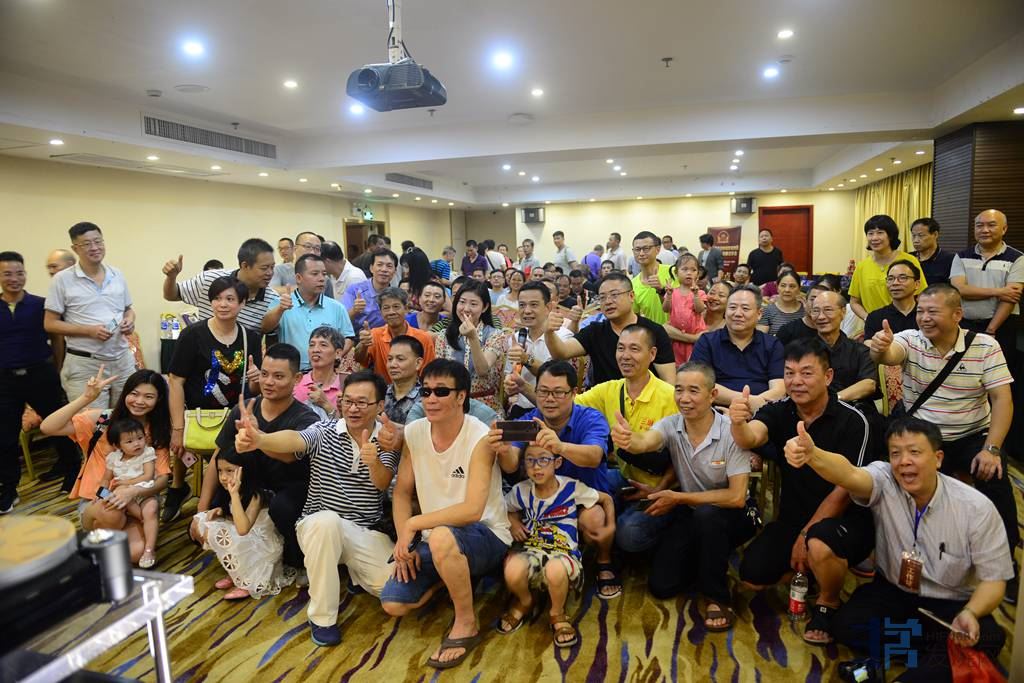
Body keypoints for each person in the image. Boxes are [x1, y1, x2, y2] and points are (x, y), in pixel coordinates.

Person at [786, 417, 1012, 678]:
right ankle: (932, 652)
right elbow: (848, 474)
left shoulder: (975, 508)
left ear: (938, 458)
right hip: (895, 592)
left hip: (951, 603)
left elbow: (995, 580)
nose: (904, 461)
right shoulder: (885, 480)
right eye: (896, 453)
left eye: (914, 452)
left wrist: (971, 613)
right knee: (847, 625)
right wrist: (813, 455)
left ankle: (914, 658)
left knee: (985, 636)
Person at [867, 283, 1019, 599]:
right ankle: (884, 552)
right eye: (920, 311)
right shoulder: (910, 339)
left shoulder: (985, 346)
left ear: (957, 314)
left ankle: (1005, 567)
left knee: (996, 479)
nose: (924, 318)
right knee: (886, 480)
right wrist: (880, 347)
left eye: (933, 311)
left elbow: (1002, 400)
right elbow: (889, 355)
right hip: (921, 435)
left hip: (970, 434)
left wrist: (991, 449)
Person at [233, 370, 398, 644]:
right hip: (318, 524)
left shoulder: (387, 439)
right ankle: (323, 618)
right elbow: (295, 439)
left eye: (362, 402)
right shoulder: (325, 431)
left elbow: (382, 483)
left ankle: (356, 573)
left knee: (394, 591)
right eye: (348, 401)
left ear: (380, 405)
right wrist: (260, 439)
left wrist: (373, 461)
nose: (353, 408)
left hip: (364, 531)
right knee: (326, 523)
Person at [731, 338, 876, 645]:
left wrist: (806, 535)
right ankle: (813, 571)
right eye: (789, 373)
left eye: (807, 373)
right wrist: (738, 422)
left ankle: (828, 601)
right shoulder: (780, 411)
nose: (796, 381)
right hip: (792, 517)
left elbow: (846, 488)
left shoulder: (854, 420)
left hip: (845, 520)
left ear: (828, 376)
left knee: (819, 545)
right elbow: (751, 438)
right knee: (752, 574)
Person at [379, 360, 512, 669]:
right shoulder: (415, 432)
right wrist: (405, 542)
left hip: (486, 534)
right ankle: (451, 574)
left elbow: (472, 510)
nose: (431, 399)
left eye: (441, 391)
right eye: (426, 391)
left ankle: (466, 623)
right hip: (437, 538)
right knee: (394, 603)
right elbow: (402, 492)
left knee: (441, 537)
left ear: (461, 396)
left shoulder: (479, 436)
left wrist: (413, 524)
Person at [611, 362, 756, 631]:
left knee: (708, 516)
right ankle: (706, 560)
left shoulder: (731, 432)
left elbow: (736, 497)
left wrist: (678, 498)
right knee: (662, 586)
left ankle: (717, 597)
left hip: (735, 514)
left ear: (712, 395)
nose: (684, 398)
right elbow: (647, 441)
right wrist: (630, 440)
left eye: (693, 390)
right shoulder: (672, 424)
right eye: (679, 390)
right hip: (691, 511)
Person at [195, 344, 319, 574]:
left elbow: (290, 455)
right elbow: (218, 456)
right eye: (264, 374)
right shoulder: (243, 410)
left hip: (289, 487)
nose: (268, 382)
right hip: (250, 485)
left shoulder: (306, 418)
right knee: (205, 521)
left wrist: (258, 437)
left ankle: (297, 561)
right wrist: (201, 512)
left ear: (297, 379)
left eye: (278, 376)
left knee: (283, 508)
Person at [41, 368, 172, 563]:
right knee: (111, 513)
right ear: (125, 393)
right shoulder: (103, 420)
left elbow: (162, 479)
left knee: (136, 553)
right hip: (100, 502)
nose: (139, 401)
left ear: (158, 399)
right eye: (134, 393)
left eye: (148, 396)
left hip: (137, 501)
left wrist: (133, 491)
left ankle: (100, 547)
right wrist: (86, 397)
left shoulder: (157, 432)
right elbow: (47, 427)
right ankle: (101, 546)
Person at [575, 326, 676, 572]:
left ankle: (666, 538)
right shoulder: (610, 390)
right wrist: (527, 389)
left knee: (628, 535)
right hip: (625, 478)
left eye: (634, 349)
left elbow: (685, 456)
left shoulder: (670, 396)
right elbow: (566, 406)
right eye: (621, 348)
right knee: (583, 488)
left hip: (663, 487)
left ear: (652, 354)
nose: (625, 356)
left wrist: (659, 489)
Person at [165, 277, 263, 522]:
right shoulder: (193, 335)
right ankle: (179, 488)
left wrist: (256, 377)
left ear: (242, 303)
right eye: (217, 298)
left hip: (235, 417)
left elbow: (253, 388)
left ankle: (225, 507)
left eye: (230, 299)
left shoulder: (250, 337)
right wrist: (177, 428)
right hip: (198, 414)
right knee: (183, 447)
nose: (222, 304)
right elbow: (175, 381)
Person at [498, 443, 614, 647]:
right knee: (512, 568)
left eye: (544, 459)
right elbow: (503, 508)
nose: (536, 466)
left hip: (564, 553)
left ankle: (557, 613)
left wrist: (610, 526)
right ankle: (525, 601)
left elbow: (606, 499)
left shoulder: (571, 487)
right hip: (533, 550)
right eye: (530, 460)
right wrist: (514, 522)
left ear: (557, 462)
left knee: (555, 569)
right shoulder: (521, 490)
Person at [1, 251, 82, 503]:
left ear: (25, 274)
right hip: (5, 381)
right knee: (5, 436)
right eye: (7, 274)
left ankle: (72, 472)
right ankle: (9, 488)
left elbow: (57, 339)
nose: (14, 279)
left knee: (59, 426)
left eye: (19, 273)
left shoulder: (40, 305)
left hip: (41, 375)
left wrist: (56, 368)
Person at [45, 222, 136, 409]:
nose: (94, 247)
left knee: (126, 417)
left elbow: (128, 309)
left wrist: (129, 320)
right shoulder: (62, 279)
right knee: (91, 423)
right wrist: (89, 331)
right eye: (86, 244)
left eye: (98, 241)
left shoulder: (117, 274)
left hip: (122, 360)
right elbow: (50, 324)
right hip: (86, 364)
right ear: (75, 249)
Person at [192, 448, 296, 600]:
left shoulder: (257, 495)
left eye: (229, 471)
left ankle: (247, 582)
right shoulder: (231, 491)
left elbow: (243, 529)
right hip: (249, 540)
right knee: (203, 521)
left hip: (262, 547)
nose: (223, 477)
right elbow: (235, 520)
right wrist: (221, 512)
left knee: (218, 532)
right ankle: (237, 574)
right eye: (220, 471)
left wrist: (234, 494)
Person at [546, 273, 675, 385]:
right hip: (603, 401)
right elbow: (561, 352)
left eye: (614, 295)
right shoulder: (595, 331)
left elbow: (669, 382)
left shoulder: (654, 331)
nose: (608, 302)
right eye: (602, 297)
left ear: (631, 296)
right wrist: (549, 331)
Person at [949, 209, 1023, 372]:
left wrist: (991, 330)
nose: (984, 230)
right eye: (979, 225)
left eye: (991, 225)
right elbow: (959, 289)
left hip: (1002, 327)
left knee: (999, 373)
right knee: (964, 372)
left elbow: (1010, 297)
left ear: (1004, 229)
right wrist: (999, 292)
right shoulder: (961, 256)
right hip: (965, 325)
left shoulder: (1017, 258)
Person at [690, 284, 786, 410]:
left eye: (745, 308)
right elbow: (700, 383)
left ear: (759, 314)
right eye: (732, 307)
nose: (738, 313)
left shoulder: (772, 344)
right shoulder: (707, 342)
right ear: (725, 311)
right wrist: (750, 402)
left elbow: (779, 389)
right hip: (717, 412)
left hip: (762, 412)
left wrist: (757, 406)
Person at [162, 237, 280, 334]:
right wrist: (171, 277)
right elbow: (171, 296)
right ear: (245, 266)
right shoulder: (209, 279)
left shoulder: (273, 300)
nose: (270, 273)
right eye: (264, 268)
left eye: (272, 267)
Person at [93, 417, 160, 567]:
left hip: (144, 491)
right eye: (129, 441)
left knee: (151, 509)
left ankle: (149, 549)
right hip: (122, 495)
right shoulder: (113, 458)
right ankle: (144, 523)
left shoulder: (147, 453)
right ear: (117, 445)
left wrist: (127, 483)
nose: (137, 443)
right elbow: (106, 479)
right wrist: (100, 494)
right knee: (112, 496)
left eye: (140, 438)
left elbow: (148, 476)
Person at [433, 280, 508, 414]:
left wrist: (473, 338)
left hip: (485, 405)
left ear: (484, 307)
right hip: (451, 403)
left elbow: (482, 370)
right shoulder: (444, 336)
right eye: (462, 302)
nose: (466, 308)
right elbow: (439, 375)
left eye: (473, 304)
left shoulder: (496, 335)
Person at [502, 282, 575, 417]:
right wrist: (509, 382)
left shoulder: (563, 337)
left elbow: (554, 376)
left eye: (534, 305)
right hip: (522, 408)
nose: (527, 311)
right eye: (522, 305)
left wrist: (526, 359)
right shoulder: (516, 338)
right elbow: (510, 373)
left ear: (548, 307)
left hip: (554, 411)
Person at [273, 254, 354, 370]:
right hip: (291, 372)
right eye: (315, 274)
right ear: (299, 278)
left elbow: (348, 338)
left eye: (324, 274)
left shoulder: (337, 307)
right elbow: (265, 328)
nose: (322, 278)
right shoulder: (281, 304)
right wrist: (280, 309)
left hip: (326, 372)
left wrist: (334, 358)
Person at [849, 215, 927, 320]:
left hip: (906, 322)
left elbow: (922, 295)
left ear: (890, 236)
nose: (874, 238)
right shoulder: (862, 266)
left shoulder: (910, 260)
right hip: (875, 325)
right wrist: (869, 319)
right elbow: (854, 302)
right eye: (870, 233)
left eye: (880, 233)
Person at [810, 291, 878, 413]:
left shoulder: (860, 350)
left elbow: (868, 384)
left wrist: (833, 400)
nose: (821, 317)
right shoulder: (803, 351)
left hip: (854, 410)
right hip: (812, 410)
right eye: (815, 311)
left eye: (828, 310)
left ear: (843, 312)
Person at [355, 287, 436, 383]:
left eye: (396, 307)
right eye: (386, 308)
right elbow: (360, 360)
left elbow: (429, 373)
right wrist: (364, 345)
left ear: (406, 309)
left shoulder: (424, 338)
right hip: (383, 390)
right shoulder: (375, 334)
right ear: (381, 312)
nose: (391, 312)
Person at [663, 252, 707, 364]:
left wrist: (696, 295)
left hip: (695, 337)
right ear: (676, 273)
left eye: (693, 270)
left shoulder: (700, 293)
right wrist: (668, 296)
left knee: (694, 365)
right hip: (676, 338)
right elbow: (666, 309)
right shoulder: (672, 292)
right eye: (684, 269)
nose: (689, 273)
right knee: (677, 364)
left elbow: (700, 309)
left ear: (697, 274)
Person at [294, 327, 346, 420]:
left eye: (323, 345)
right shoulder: (296, 382)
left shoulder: (346, 385)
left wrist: (326, 404)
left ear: (338, 353)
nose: (315, 350)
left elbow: (350, 425)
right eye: (312, 345)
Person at [863, 259, 921, 340]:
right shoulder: (875, 318)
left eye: (903, 278)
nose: (895, 283)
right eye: (890, 279)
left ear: (917, 284)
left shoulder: (926, 315)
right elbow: (868, 344)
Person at [341, 249, 399, 329]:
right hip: (357, 335)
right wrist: (354, 310)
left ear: (395, 271)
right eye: (379, 265)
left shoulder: (397, 295)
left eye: (389, 266)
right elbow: (341, 321)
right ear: (371, 268)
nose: (384, 269)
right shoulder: (354, 290)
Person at [630, 231, 676, 325]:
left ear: (657, 249)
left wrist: (661, 291)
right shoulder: (632, 284)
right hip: (652, 333)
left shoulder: (673, 272)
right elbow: (635, 316)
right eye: (637, 249)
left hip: (679, 331)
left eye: (646, 248)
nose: (641, 253)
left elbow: (686, 304)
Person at [908, 217, 954, 287]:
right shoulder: (909, 258)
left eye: (921, 235)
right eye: (913, 236)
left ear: (935, 234)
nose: (916, 240)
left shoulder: (950, 259)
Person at [757, 271, 805, 335]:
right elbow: (761, 338)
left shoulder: (805, 311)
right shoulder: (767, 311)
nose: (787, 290)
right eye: (783, 286)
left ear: (799, 289)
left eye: (792, 286)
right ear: (777, 288)